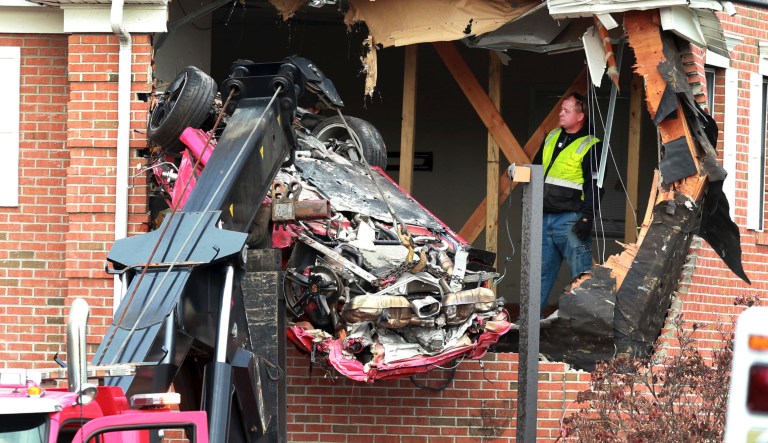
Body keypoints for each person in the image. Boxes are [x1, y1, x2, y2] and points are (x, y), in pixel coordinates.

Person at [532, 92, 602, 312]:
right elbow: (535, 169)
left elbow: (595, 185)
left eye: (566, 110)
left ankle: (582, 326)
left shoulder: (591, 145)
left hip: (570, 220)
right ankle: (528, 325)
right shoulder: (552, 136)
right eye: (561, 110)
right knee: (538, 276)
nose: (560, 114)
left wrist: (587, 217)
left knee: (581, 276)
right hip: (544, 217)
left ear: (580, 116)